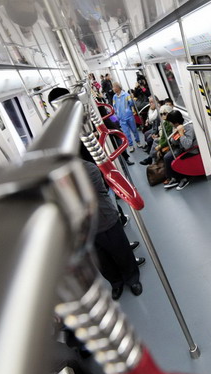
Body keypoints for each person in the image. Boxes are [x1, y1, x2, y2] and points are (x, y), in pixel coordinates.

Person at [81, 151, 145, 301]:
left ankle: (132, 279)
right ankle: (116, 282)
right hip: (85, 228)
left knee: (121, 252)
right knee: (101, 260)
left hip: (104, 218)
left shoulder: (88, 168)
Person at [163, 110, 198, 191]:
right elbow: (174, 142)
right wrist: (175, 135)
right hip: (181, 147)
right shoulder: (175, 126)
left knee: (173, 157)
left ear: (175, 122)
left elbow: (187, 145)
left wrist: (181, 134)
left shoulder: (188, 127)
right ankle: (174, 178)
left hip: (191, 150)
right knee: (166, 157)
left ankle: (184, 179)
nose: (170, 124)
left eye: (171, 122)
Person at [112, 82, 143, 152]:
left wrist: (131, 98)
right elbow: (114, 106)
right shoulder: (114, 97)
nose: (113, 88)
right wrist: (117, 115)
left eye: (113, 87)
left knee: (134, 130)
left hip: (129, 116)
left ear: (117, 87)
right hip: (121, 118)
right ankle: (131, 145)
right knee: (126, 133)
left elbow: (131, 104)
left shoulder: (126, 95)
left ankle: (138, 141)